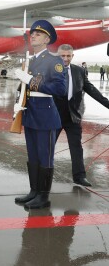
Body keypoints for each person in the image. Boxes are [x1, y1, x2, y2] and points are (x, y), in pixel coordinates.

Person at [13, 20, 67, 210]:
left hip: (46, 114)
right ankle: (34, 191)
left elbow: (60, 89)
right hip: (30, 112)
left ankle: (43, 197)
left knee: (45, 157)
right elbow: (25, 89)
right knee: (33, 156)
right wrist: (18, 101)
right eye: (32, 33)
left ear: (46, 39)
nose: (33, 35)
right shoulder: (31, 60)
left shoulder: (54, 61)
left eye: (38, 33)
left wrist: (31, 81)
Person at [54, 44, 109, 187]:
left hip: (73, 116)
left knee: (76, 147)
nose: (65, 59)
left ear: (73, 56)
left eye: (68, 56)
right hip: (54, 116)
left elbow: (91, 90)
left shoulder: (79, 71)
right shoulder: (50, 71)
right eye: (62, 56)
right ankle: (44, 177)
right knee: (47, 148)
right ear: (57, 56)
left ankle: (79, 176)